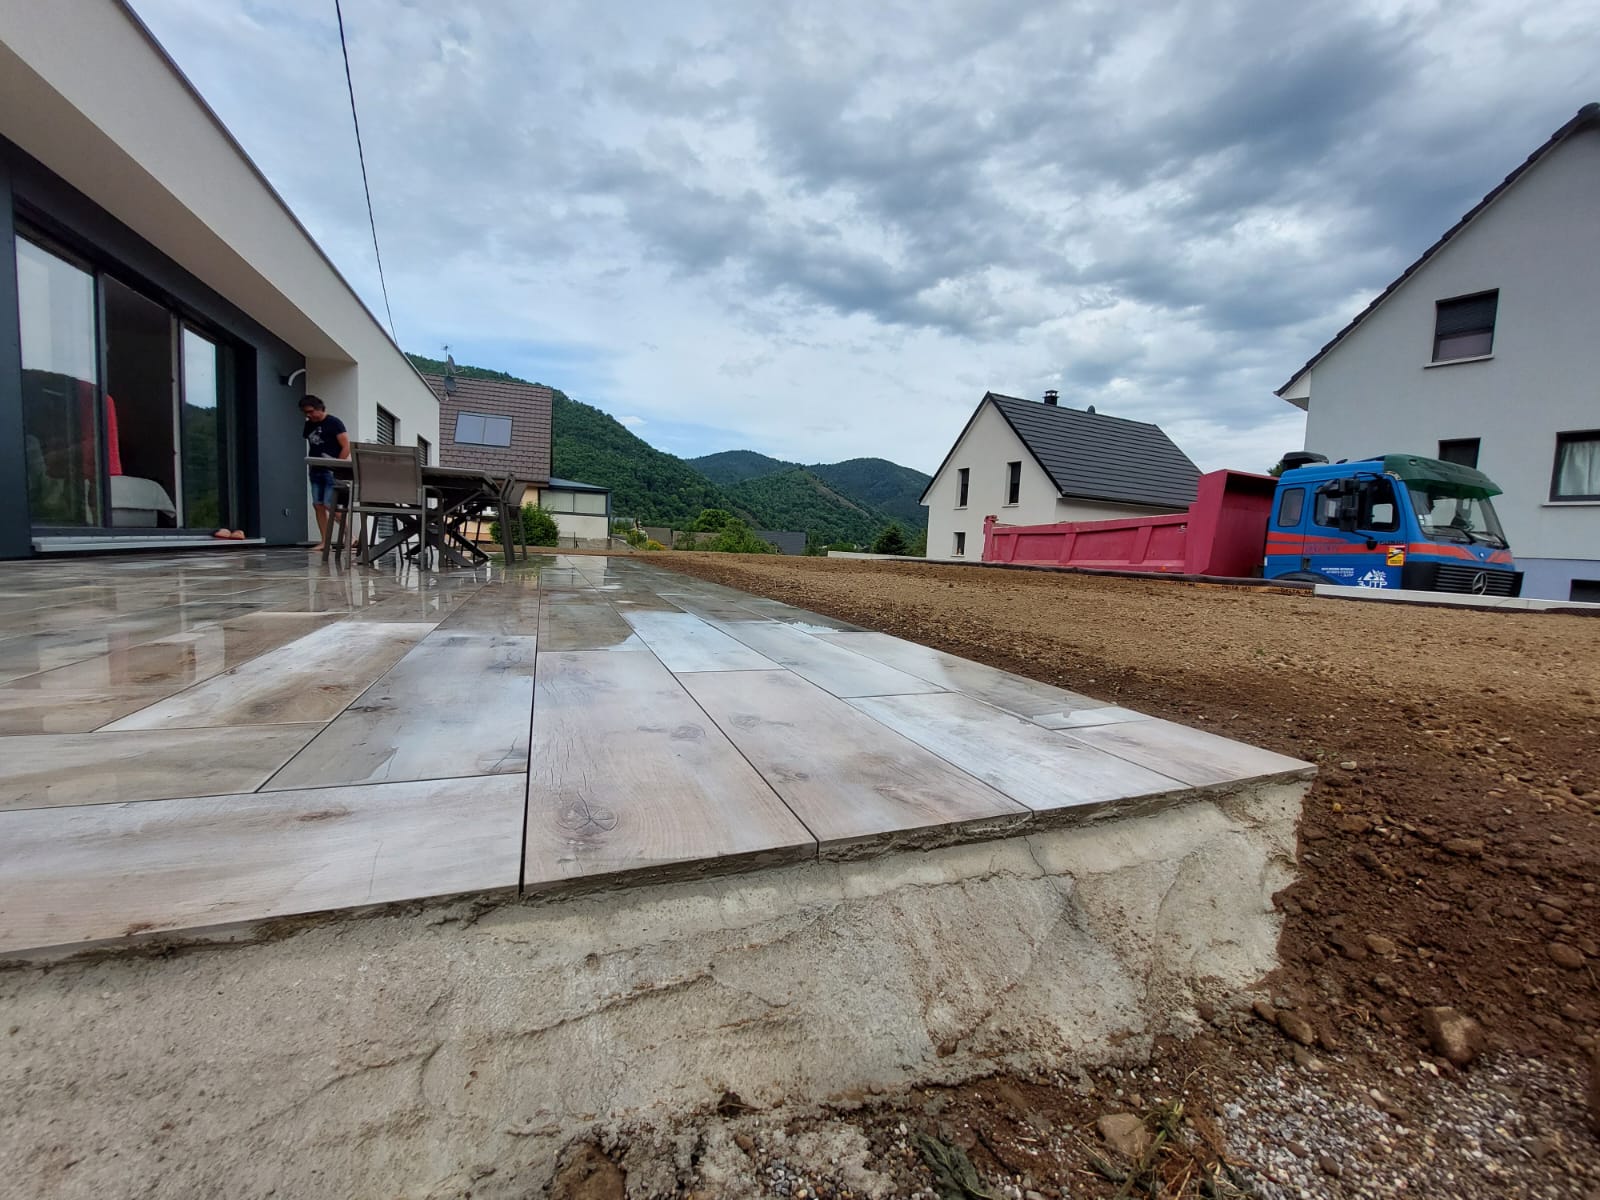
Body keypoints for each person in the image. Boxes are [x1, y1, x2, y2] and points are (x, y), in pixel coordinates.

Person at [301, 395, 350, 552]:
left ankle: (350, 537)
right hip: (315, 469)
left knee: (330, 504)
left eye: (310, 411)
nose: (308, 415)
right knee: (318, 505)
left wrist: (337, 466)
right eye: (305, 413)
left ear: (319, 408)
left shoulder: (334, 423)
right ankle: (324, 541)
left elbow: (346, 446)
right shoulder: (308, 425)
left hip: (331, 471)